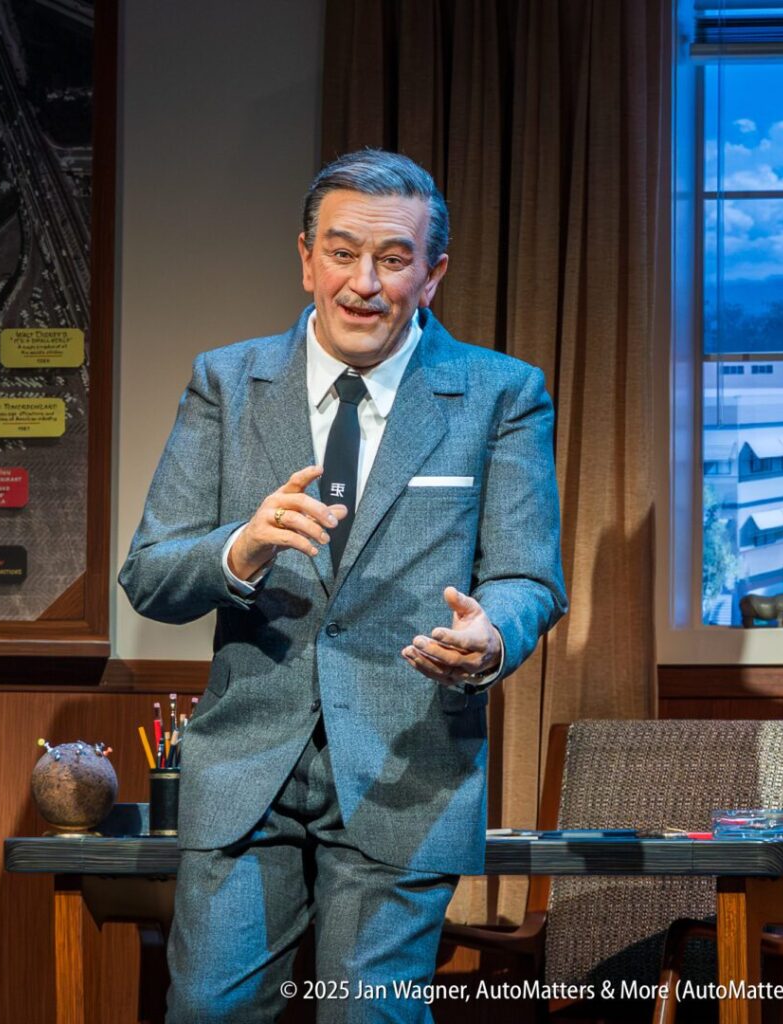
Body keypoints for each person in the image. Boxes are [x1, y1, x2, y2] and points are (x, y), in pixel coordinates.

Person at [119, 148, 567, 1024]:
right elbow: (149, 572)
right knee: (209, 1010)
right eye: (341, 252)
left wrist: (491, 639)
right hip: (249, 761)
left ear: (431, 274)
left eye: (394, 259)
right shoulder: (227, 382)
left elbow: (526, 576)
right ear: (305, 258)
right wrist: (240, 548)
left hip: (406, 763)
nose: (364, 282)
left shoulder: (499, 393)